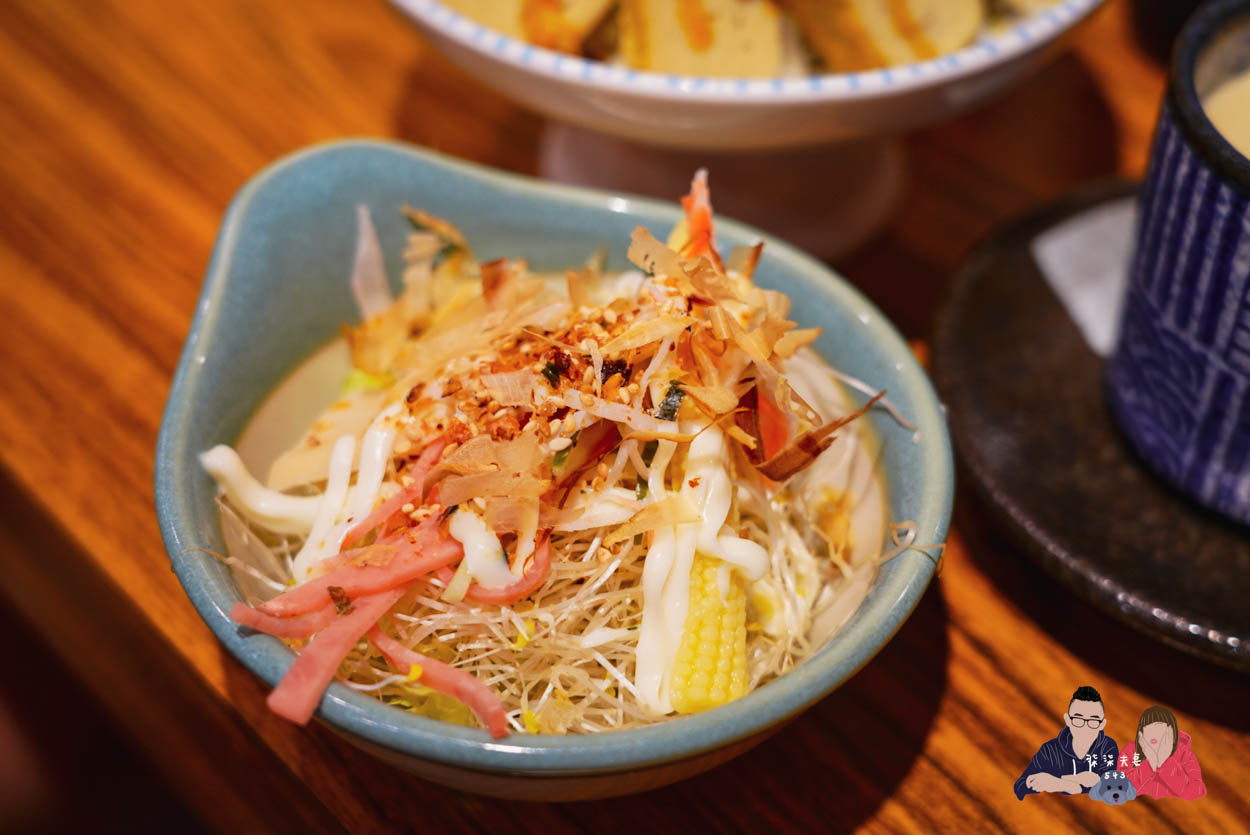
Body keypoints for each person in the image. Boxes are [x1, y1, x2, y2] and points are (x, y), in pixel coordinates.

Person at [1014, 685, 1118, 800]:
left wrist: (1061, 782)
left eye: (1093, 721)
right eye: (1078, 720)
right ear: (1068, 720)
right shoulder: (1050, 750)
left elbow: (1112, 787)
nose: (1085, 727)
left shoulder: (1107, 748)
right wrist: (1069, 783)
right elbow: (1020, 787)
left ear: (1102, 724)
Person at [1119, 705, 1206, 800]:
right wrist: (1149, 764)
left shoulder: (1184, 754)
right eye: (1148, 729)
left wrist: (1165, 762)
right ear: (1141, 733)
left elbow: (1195, 792)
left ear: (1170, 733)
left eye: (1159, 729)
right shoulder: (1131, 751)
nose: (1154, 734)